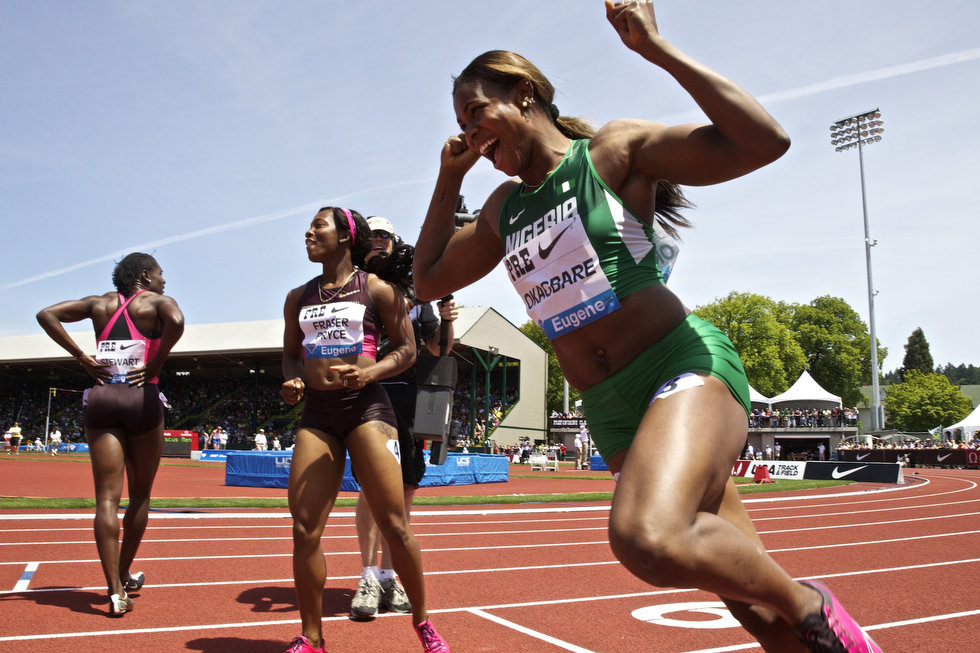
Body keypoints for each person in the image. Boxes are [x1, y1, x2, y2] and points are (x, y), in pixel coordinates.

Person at [411, 3, 880, 652]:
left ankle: (811, 600)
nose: (470, 132)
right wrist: (447, 177)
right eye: (460, 123)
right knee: (749, 605)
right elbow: (427, 280)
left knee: (649, 537)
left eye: (476, 113)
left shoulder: (613, 151)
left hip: (679, 370)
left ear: (524, 96)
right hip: (610, 411)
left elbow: (763, 141)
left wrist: (656, 48)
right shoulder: (502, 209)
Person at [280, 207, 448, 653]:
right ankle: (312, 636)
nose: (309, 233)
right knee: (304, 529)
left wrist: (371, 375)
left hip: (368, 409)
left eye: (319, 226)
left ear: (344, 237)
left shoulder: (376, 289)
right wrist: (294, 379)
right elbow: (291, 354)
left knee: (394, 524)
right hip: (318, 414)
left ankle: (423, 623)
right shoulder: (297, 297)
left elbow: (409, 351)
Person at [36, 252, 184, 616]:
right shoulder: (158, 302)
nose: (165, 281)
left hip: (102, 398)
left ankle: (117, 588)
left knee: (106, 498)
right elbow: (177, 321)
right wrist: (156, 362)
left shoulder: (98, 304)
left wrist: (82, 358)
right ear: (145, 276)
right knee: (140, 496)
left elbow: (46, 314)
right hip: (142, 397)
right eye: (161, 274)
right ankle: (121, 572)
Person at [350, 215, 458, 620]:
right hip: (369, 396)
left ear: (395, 244)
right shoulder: (355, 290)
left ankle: (390, 575)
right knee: (372, 489)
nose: (377, 242)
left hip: (410, 400)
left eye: (384, 236)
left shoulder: (417, 300)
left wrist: (447, 324)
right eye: (371, 236)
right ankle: (366, 576)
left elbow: (438, 353)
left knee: (406, 489)